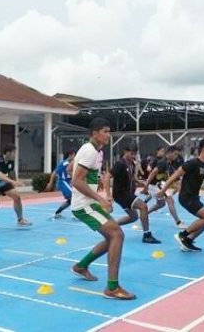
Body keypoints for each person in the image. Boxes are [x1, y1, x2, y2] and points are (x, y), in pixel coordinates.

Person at [70, 118, 135, 300]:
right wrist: (101, 199)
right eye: (105, 131)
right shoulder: (90, 151)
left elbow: (71, 170)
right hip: (85, 205)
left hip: (87, 202)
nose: (109, 134)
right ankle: (112, 288)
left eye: (109, 131)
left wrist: (94, 180)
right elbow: (76, 180)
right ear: (94, 133)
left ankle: (81, 266)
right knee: (117, 235)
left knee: (112, 237)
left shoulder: (93, 150)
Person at [158, 138, 204, 252]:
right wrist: (163, 190)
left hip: (194, 197)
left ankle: (188, 240)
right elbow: (175, 176)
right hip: (186, 196)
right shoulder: (192, 163)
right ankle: (183, 235)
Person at [103, 144, 161, 244]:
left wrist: (139, 181)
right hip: (121, 194)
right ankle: (147, 235)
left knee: (133, 217)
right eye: (132, 153)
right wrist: (108, 195)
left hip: (126, 193)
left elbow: (132, 176)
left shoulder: (131, 163)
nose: (133, 156)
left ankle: (111, 226)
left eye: (135, 154)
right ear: (125, 151)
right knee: (143, 206)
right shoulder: (120, 163)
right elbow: (107, 177)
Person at [0, 144, 30, 227]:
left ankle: (20, 219)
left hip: (3, 182)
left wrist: (16, 181)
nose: (15, 154)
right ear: (8, 153)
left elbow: (11, 172)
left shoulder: (11, 161)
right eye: (14, 152)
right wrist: (12, 182)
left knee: (17, 197)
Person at [142, 145, 187, 229]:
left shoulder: (170, 162)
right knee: (170, 200)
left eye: (177, 154)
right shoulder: (162, 162)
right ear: (169, 153)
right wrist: (146, 185)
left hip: (160, 183)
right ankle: (178, 222)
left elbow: (175, 173)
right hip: (155, 184)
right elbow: (152, 173)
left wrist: (178, 183)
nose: (176, 156)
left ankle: (144, 213)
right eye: (175, 154)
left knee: (161, 204)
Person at [44, 149, 76, 219]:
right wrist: (50, 183)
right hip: (63, 182)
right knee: (74, 196)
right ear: (70, 155)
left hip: (67, 183)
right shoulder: (64, 163)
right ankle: (76, 214)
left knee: (70, 200)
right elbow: (54, 173)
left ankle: (57, 213)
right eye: (74, 155)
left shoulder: (72, 163)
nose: (75, 157)